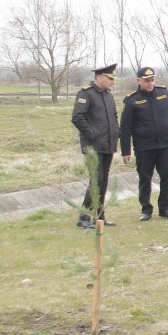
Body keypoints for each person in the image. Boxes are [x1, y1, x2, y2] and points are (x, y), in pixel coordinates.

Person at [119, 66, 168, 221]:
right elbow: (125, 127)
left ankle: (165, 208)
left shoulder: (163, 93)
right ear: (139, 81)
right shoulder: (132, 100)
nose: (150, 83)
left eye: (152, 80)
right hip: (144, 146)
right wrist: (126, 151)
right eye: (146, 81)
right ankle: (146, 209)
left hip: (164, 144)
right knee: (145, 178)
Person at [72, 63, 120, 228]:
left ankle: (99, 217)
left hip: (108, 144)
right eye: (110, 78)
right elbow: (78, 117)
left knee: (103, 181)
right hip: (94, 146)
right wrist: (92, 134)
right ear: (100, 78)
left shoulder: (108, 95)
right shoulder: (86, 94)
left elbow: (113, 117)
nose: (112, 81)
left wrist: (116, 133)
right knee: (96, 181)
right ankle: (84, 218)